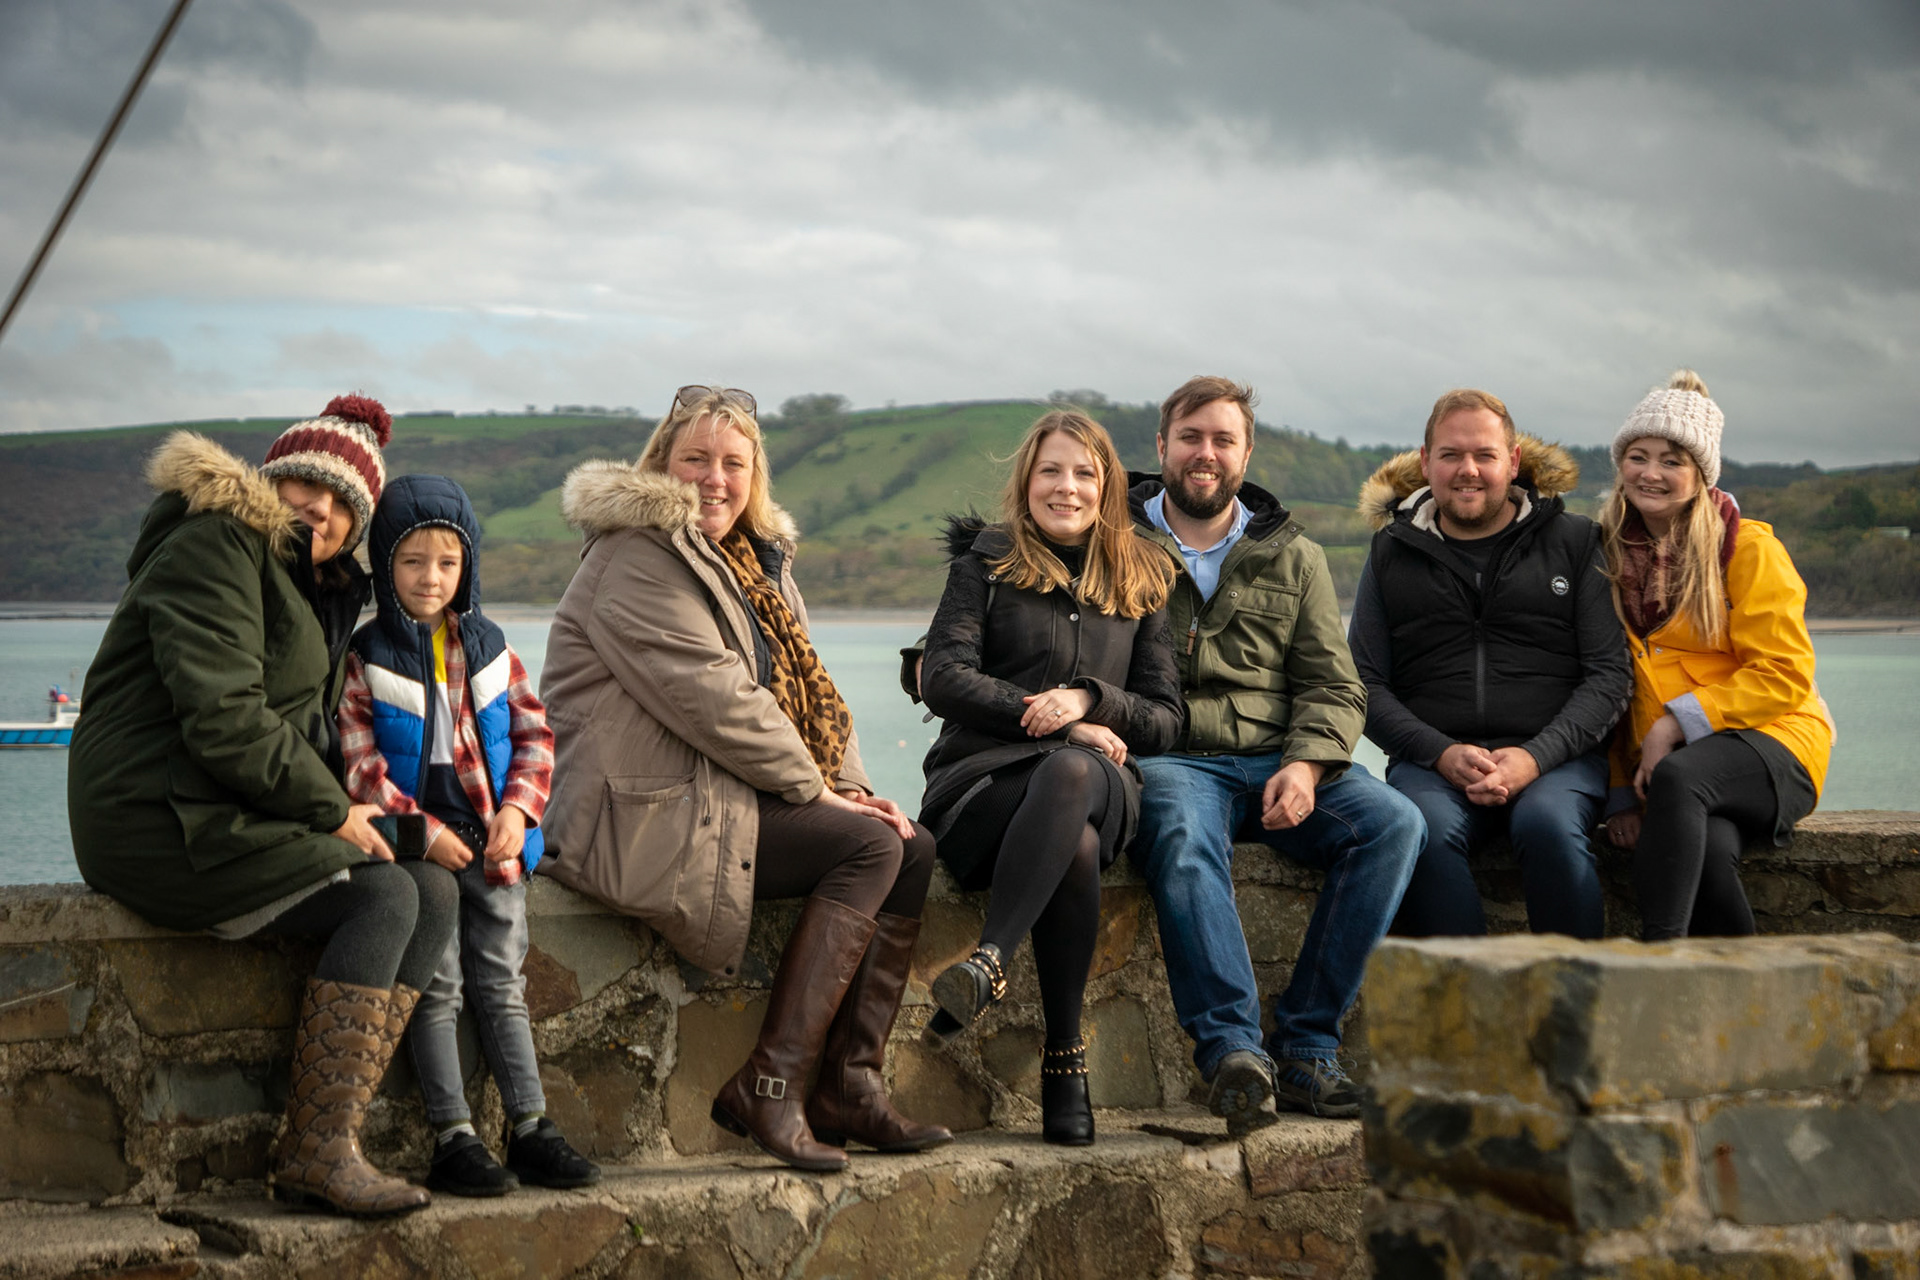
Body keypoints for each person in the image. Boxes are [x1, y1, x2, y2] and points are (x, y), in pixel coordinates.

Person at [536, 385, 949, 1172]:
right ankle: (772, 1083)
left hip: (718, 797)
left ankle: (849, 1086)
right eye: (696, 458)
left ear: (755, 474)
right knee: (867, 848)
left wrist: (852, 789)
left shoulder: (759, 563)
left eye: (734, 462)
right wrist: (817, 793)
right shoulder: (636, 555)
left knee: (911, 845)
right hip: (635, 815)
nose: (714, 479)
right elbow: (715, 698)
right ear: (662, 464)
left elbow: (816, 696)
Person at [70, 397, 457, 1217]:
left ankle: (331, 1136)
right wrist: (335, 815)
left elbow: (306, 735)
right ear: (270, 480)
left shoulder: (300, 583)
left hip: (222, 804)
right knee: (386, 897)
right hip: (155, 815)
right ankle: (316, 1153)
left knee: (433, 889)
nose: (322, 507)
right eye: (306, 485)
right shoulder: (218, 541)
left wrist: (399, 822)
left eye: (345, 501)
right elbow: (224, 719)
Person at [1125, 376, 1424, 1130]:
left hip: (1276, 760)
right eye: (1190, 437)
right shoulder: (1111, 542)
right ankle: (1234, 1053)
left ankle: (1306, 1050)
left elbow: (1335, 685)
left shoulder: (1297, 557)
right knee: (1183, 835)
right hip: (1170, 759)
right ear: (1161, 446)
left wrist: (1309, 763)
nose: (1206, 453)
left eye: (1223, 439)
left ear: (1246, 453)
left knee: (1394, 823)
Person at [908, 410, 1183, 1146]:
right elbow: (943, 677)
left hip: (1099, 783)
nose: (1067, 487)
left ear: (1107, 486)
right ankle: (1066, 1063)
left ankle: (990, 960)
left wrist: (1091, 700)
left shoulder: (1145, 576)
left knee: (1072, 776)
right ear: (1027, 481)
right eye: (1051, 471)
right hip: (983, 786)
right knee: (1077, 844)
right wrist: (1057, 721)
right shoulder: (984, 565)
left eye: (1084, 473)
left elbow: (1165, 717)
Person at [337, 474, 599, 1196]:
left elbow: (535, 734)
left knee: (503, 985)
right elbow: (359, 766)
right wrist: (419, 833)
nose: (431, 577)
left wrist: (519, 813)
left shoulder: (491, 648)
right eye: (412, 561)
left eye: (447, 562)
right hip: (422, 853)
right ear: (385, 565)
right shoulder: (366, 656)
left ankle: (531, 1128)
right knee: (439, 988)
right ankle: (454, 1137)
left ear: (468, 566)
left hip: (494, 845)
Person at [1350, 389, 1630, 939]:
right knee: (1419, 834)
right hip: (1431, 765)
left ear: (1514, 461)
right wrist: (1440, 752)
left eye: (1485, 454)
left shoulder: (1575, 541)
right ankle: (1472, 990)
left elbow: (1608, 675)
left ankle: (1573, 990)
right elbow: (1363, 683)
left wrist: (1535, 757)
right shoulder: (1391, 551)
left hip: (1558, 762)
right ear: (1425, 461)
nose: (1468, 470)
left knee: (1548, 826)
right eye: (1451, 455)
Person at [1598, 371, 1831, 940]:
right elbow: (1611, 682)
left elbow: (1785, 673)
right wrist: (1621, 791)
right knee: (1706, 856)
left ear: (1701, 474)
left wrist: (1677, 722)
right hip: (1680, 773)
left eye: (1672, 461)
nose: (1650, 473)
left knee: (1680, 779)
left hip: (1776, 742)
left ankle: (1659, 960)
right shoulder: (1604, 554)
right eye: (1637, 456)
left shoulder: (1748, 548)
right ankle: (1744, 987)